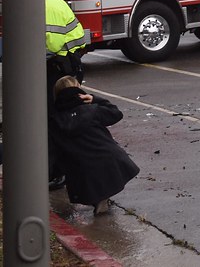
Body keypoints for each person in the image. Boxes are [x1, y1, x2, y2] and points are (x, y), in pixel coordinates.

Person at [49, 75, 140, 215]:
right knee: (99, 159)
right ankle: (102, 197)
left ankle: (97, 197)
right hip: (109, 158)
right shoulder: (92, 110)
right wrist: (95, 99)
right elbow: (116, 113)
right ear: (78, 91)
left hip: (80, 167)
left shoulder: (54, 121)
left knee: (78, 165)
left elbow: (55, 151)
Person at [46, 0, 88, 188]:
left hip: (56, 68)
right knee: (65, 120)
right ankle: (67, 170)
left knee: (53, 121)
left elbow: (52, 45)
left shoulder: (42, 8)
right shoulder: (55, 2)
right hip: (68, 65)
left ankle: (57, 173)